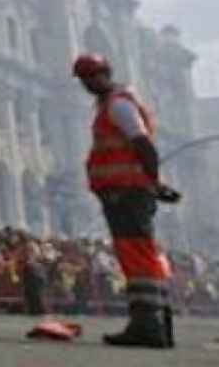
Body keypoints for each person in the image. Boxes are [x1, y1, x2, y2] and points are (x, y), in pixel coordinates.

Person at [73, 52, 178, 348]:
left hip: (126, 194)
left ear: (106, 73)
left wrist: (154, 183)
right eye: (84, 79)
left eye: (93, 76)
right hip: (124, 193)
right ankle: (156, 322)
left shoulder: (118, 105)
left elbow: (143, 143)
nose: (89, 83)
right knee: (141, 254)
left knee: (137, 255)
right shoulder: (112, 104)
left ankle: (148, 325)